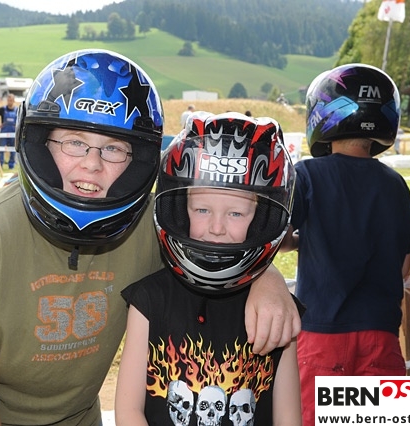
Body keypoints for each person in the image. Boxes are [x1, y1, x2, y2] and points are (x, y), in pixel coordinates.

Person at [0, 49, 300, 426]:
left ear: (138, 161)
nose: (92, 163)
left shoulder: (149, 227)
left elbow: (213, 244)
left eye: (113, 149)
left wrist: (267, 280)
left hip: (76, 419)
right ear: (40, 144)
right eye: (74, 142)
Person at [115, 112, 302, 426]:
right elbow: (128, 411)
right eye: (202, 209)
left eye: (236, 213)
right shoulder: (149, 299)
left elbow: (288, 418)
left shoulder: (277, 312)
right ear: (179, 209)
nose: (216, 228)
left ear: (261, 220)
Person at [280, 63, 410, 425]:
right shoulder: (395, 184)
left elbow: (278, 236)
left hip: (322, 334)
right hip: (381, 335)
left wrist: (299, 242)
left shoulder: (308, 173)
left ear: (324, 114)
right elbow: (403, 265)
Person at [0, 93, 18, 169]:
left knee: (13, 150)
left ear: (14, 101)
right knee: (0, 149)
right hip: (4, 132)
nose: (10, 102)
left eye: (11, 100)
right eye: (8, 100)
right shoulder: (2, 109)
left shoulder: (17, 110)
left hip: (13, 133)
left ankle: (11, 166)